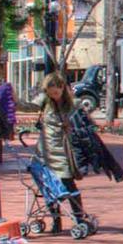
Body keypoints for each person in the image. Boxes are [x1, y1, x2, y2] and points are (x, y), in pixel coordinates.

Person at [29, 73, 90, 232]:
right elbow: (30, 106)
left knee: (68, 184)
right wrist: (12, 100)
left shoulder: (72, 104)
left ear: (62, 88)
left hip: (62, 151)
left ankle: (79, 217)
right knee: (47, 186)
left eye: (56, 93)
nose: (54, 96)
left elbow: (85, 120)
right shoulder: (44, 101)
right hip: (44, 151)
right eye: (50, 93)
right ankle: (56, 221)